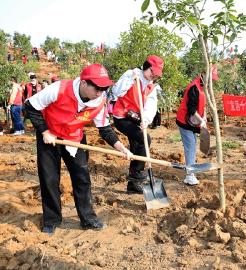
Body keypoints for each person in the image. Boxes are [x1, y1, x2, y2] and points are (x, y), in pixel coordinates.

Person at [25, 64, 134, 234]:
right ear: (84, 83)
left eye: (104, 88)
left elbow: (104, 129)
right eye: (97, 87)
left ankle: (88, 219)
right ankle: (51, 220)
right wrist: (45, 131)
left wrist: (121, 148)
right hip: (50, 137)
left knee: (82, 178)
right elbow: (31, 106)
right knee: (49, 179)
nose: (100, 92)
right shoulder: (59, 89)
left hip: (74, 139)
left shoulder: (100, 101)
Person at [111, 55, 164, 194]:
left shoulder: (151, 86)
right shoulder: (131, 74)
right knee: (145, 139)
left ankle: (133, 185)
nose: (154, 76)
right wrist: (130, 80)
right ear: (146, 66)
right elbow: (116, 92)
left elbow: (151, 105)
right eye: (152, 72)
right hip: (122, 116)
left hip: (136, 118)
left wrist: (146, 120)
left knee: (137, 146)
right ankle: (137, 173)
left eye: (156, 74)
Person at [176, 65, 218, 185]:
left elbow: (202, 105)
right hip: (185, 121)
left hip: (192, 122)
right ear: (203, 74)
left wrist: (204, 116)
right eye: (210, 78)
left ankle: (191, 169)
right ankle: (190, 175)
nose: (211, 81)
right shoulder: (194, 88)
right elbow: (192, 110)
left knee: (192, 145)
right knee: (190, 147)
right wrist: (201, 121)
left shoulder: (202, 87)